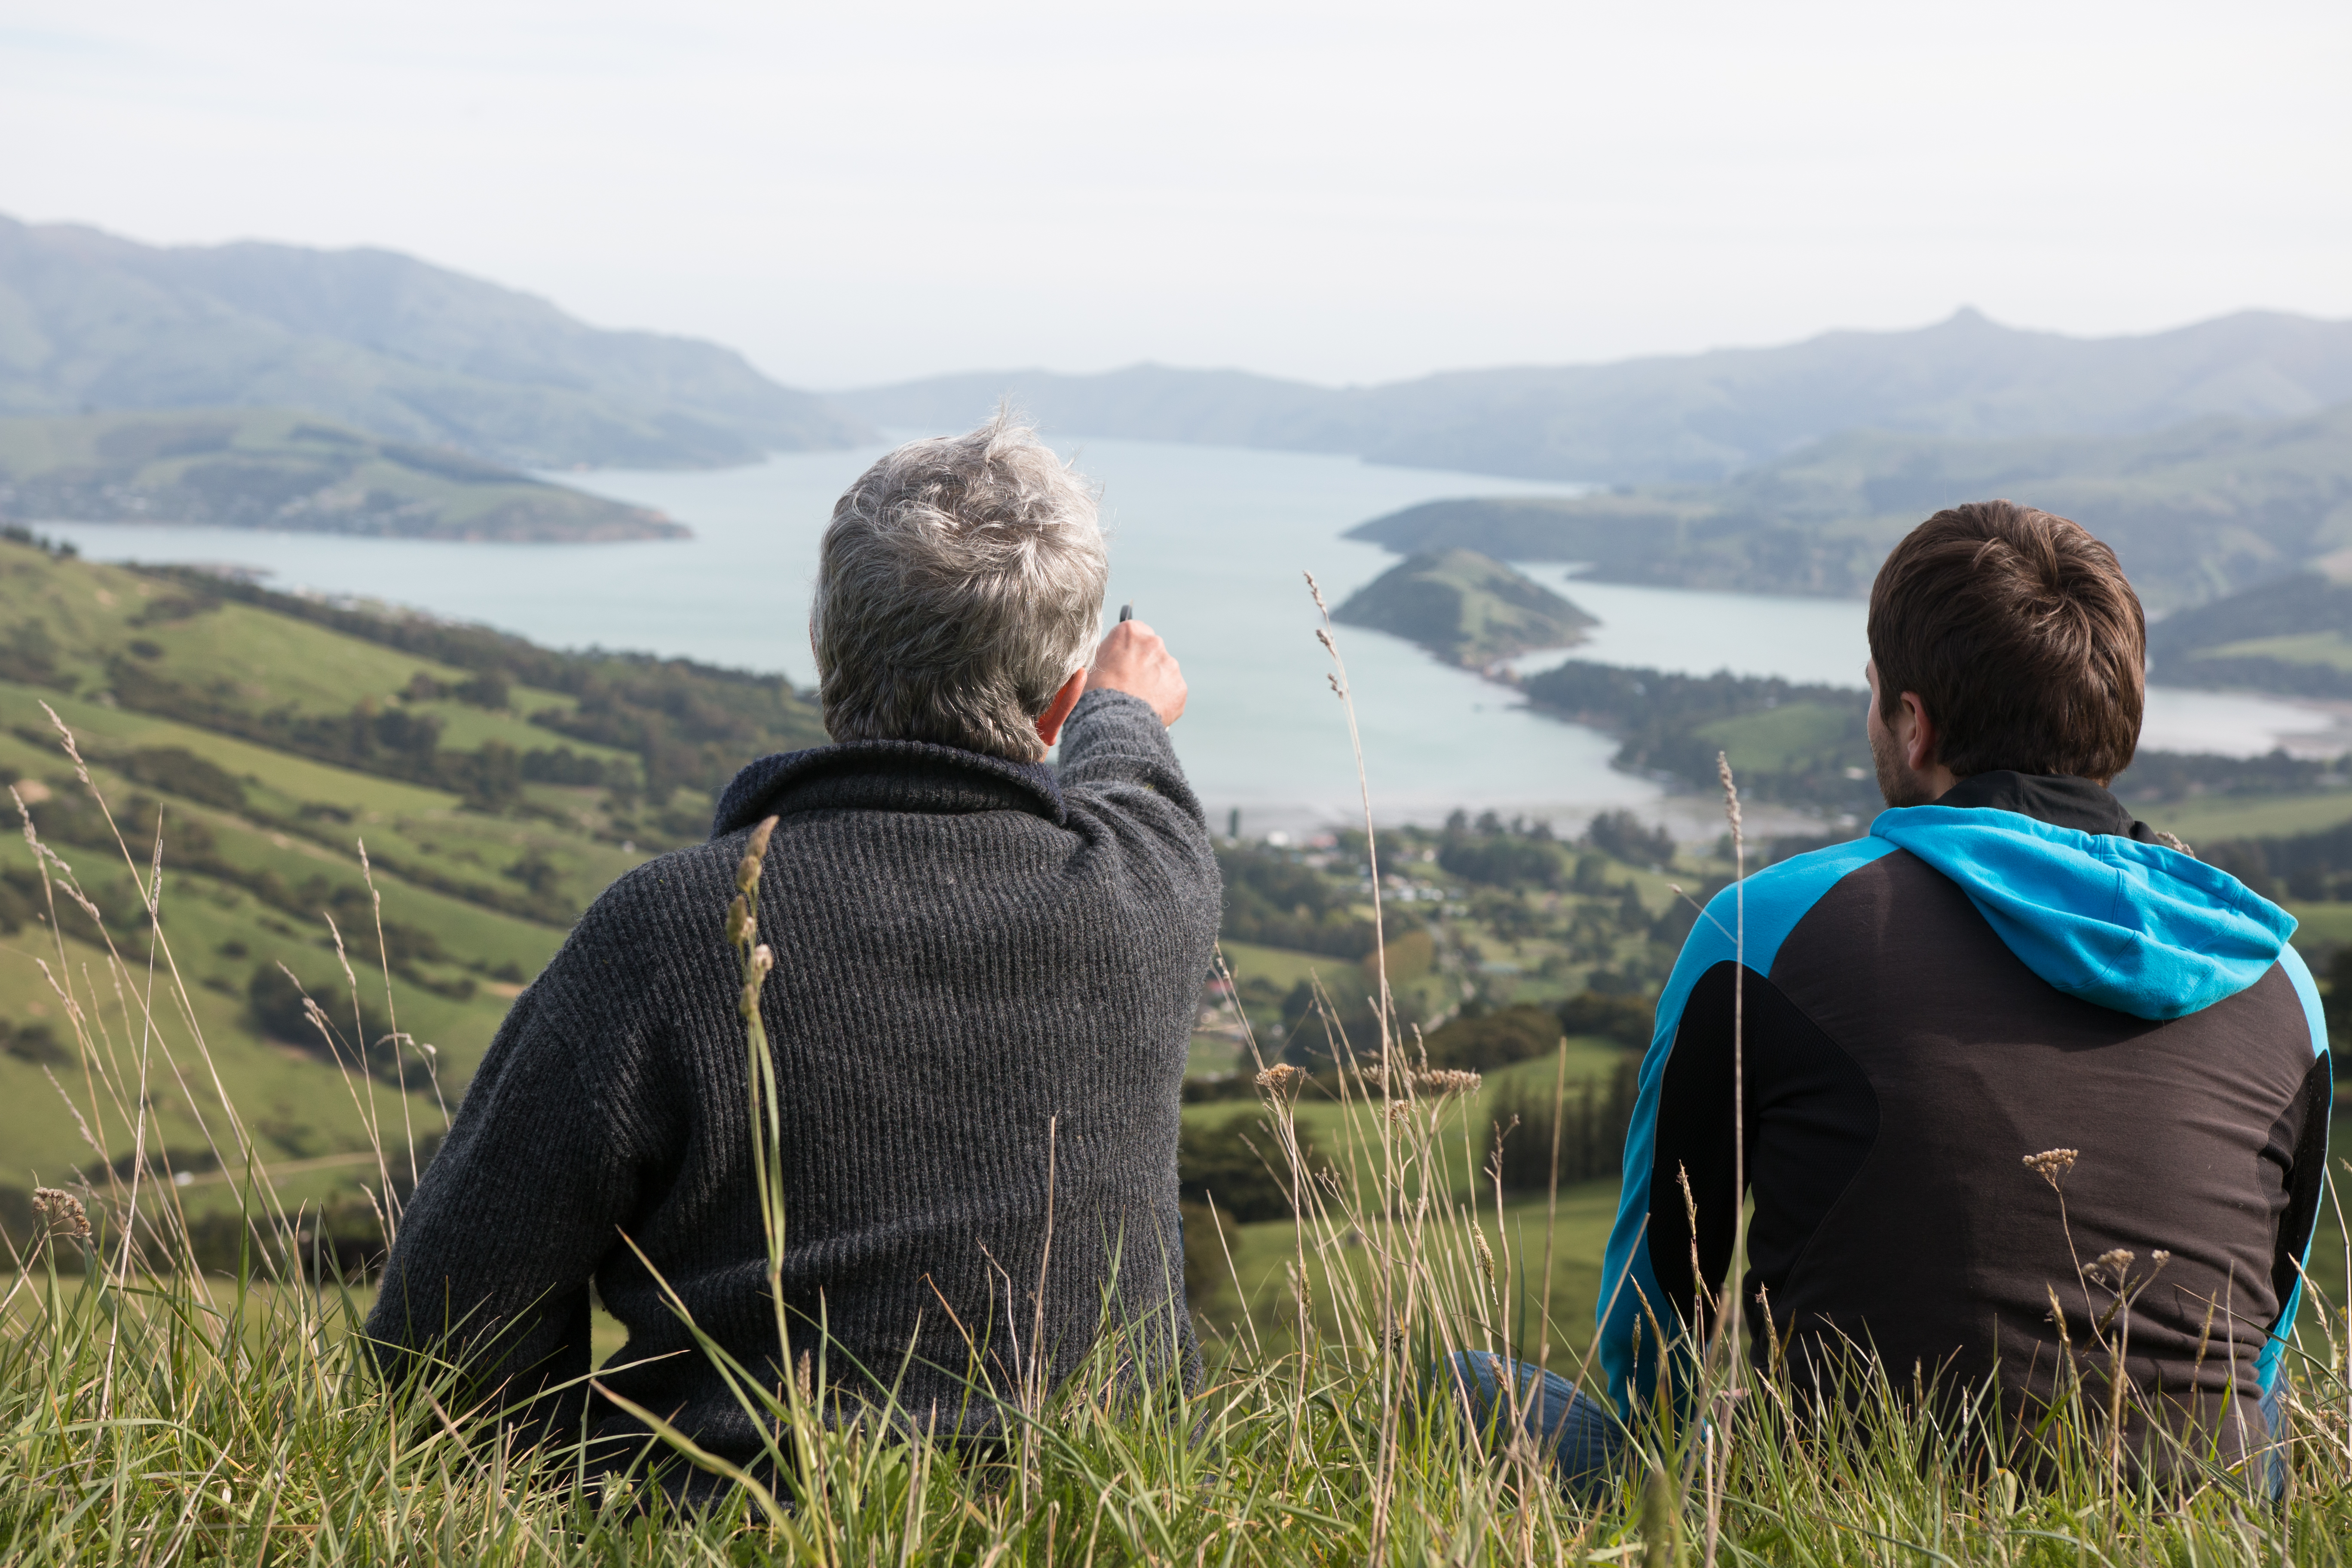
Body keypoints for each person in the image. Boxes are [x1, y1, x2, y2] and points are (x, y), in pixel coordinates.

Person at [366, 413, 1222, 1493]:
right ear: (1055, 704)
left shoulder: (670, 930)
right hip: (1099, 1513)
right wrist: (1116, 712)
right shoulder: (1147, 888)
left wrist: (552, 1503)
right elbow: (1133, 778)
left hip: (716, 1524)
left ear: (830, 653)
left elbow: (441, 1341)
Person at [1455, 500, 2331, 1493]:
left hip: (1852, 1508)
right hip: (2206, 1518)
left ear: (1914, 725)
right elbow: (2263, 1337)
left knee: (1461, 1387)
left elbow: (1661, 1313)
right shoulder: (2278, 979)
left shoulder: (1766, 933)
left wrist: (1666, 1481)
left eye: (1874, 695)